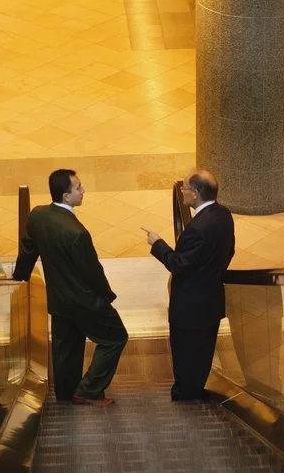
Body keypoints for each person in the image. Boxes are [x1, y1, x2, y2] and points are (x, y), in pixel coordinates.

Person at [13, 169, 128, 406]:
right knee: (115, 337)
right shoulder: (77, 233)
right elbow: (92, 272)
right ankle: (88, 390)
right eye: (78, 188)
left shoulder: (38, 215)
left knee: (67, 346)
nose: (83, 191)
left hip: (59, 300)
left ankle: (66, 394)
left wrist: (20, 275)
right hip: (85, 302)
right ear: (66, 196)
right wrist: (106, 296)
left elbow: (28, 248)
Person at [142, 170, 235, 401]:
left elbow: (178, 264)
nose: (181, 192)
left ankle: (184, 396)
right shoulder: (224, 215)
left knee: (185, 354)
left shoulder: (197, 229)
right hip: (211, 301)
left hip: (190, 306)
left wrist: (158, 244)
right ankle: (195, 390)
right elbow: (229, 250)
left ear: (195, 194)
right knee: (203, 353)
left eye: (184, 189)